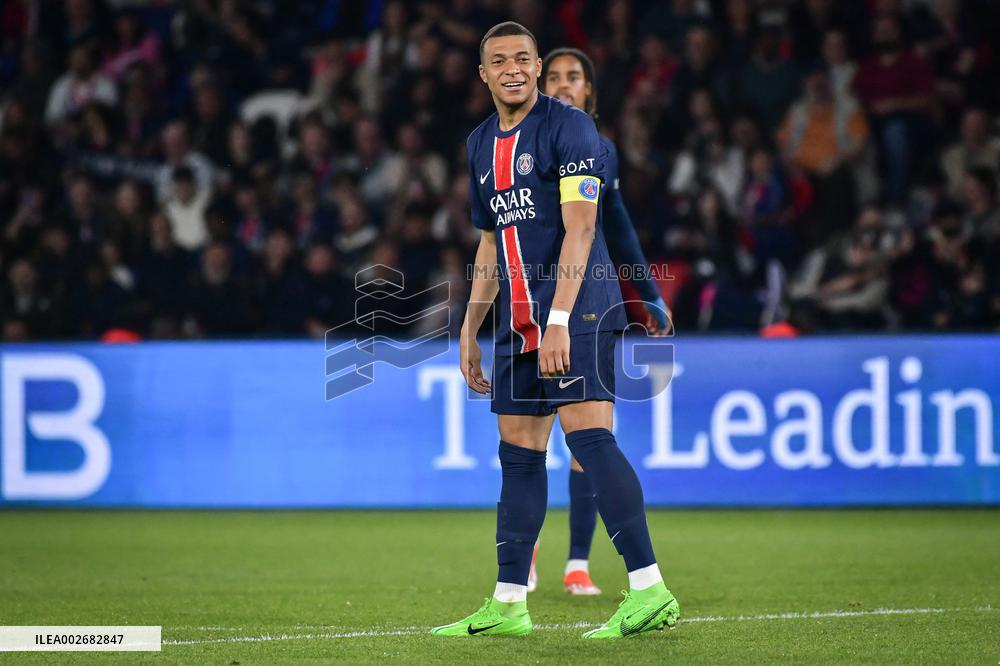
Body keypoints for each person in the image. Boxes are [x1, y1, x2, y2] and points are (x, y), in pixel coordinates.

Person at [431, 22, 680, 640]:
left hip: (580, 312)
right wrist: (469, 329)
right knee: (518, 458)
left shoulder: (570, 127)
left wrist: (561, 319)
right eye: (499, 61)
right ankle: (509, 602)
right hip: (517, 321)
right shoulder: (479, 144)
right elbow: (489, 242)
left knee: (589, 442)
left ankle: (650, 589)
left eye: (523, 58)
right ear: (482, 74)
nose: (512, 69)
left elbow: (582, 229)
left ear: (537, 66)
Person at [526, 46, 670, 597]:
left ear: (590, 91)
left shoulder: (599, 150)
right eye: (555, 76)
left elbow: (617, 226)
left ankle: (578, 563)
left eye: (575, 77)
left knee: (589, 439)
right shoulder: (515, 143)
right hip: (529, 301)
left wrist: (649, 295)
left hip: (588, 303)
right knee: (529, 439)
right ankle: (528, 553)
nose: (564, 85)